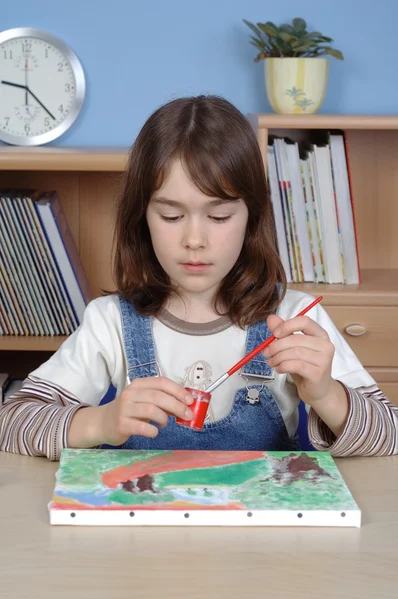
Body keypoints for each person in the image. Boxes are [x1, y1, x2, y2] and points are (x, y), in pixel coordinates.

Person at [0, 95, 397, 461]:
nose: (194, 240)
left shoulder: (295, 319)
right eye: (171, 216)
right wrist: (100, 423)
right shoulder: (110, 322)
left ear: (252, 217)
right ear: (142, 219)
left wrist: (326, 393)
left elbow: (391, 434)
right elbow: (11, 422)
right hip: (142, 533)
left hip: (263, 536)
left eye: (219, 217)